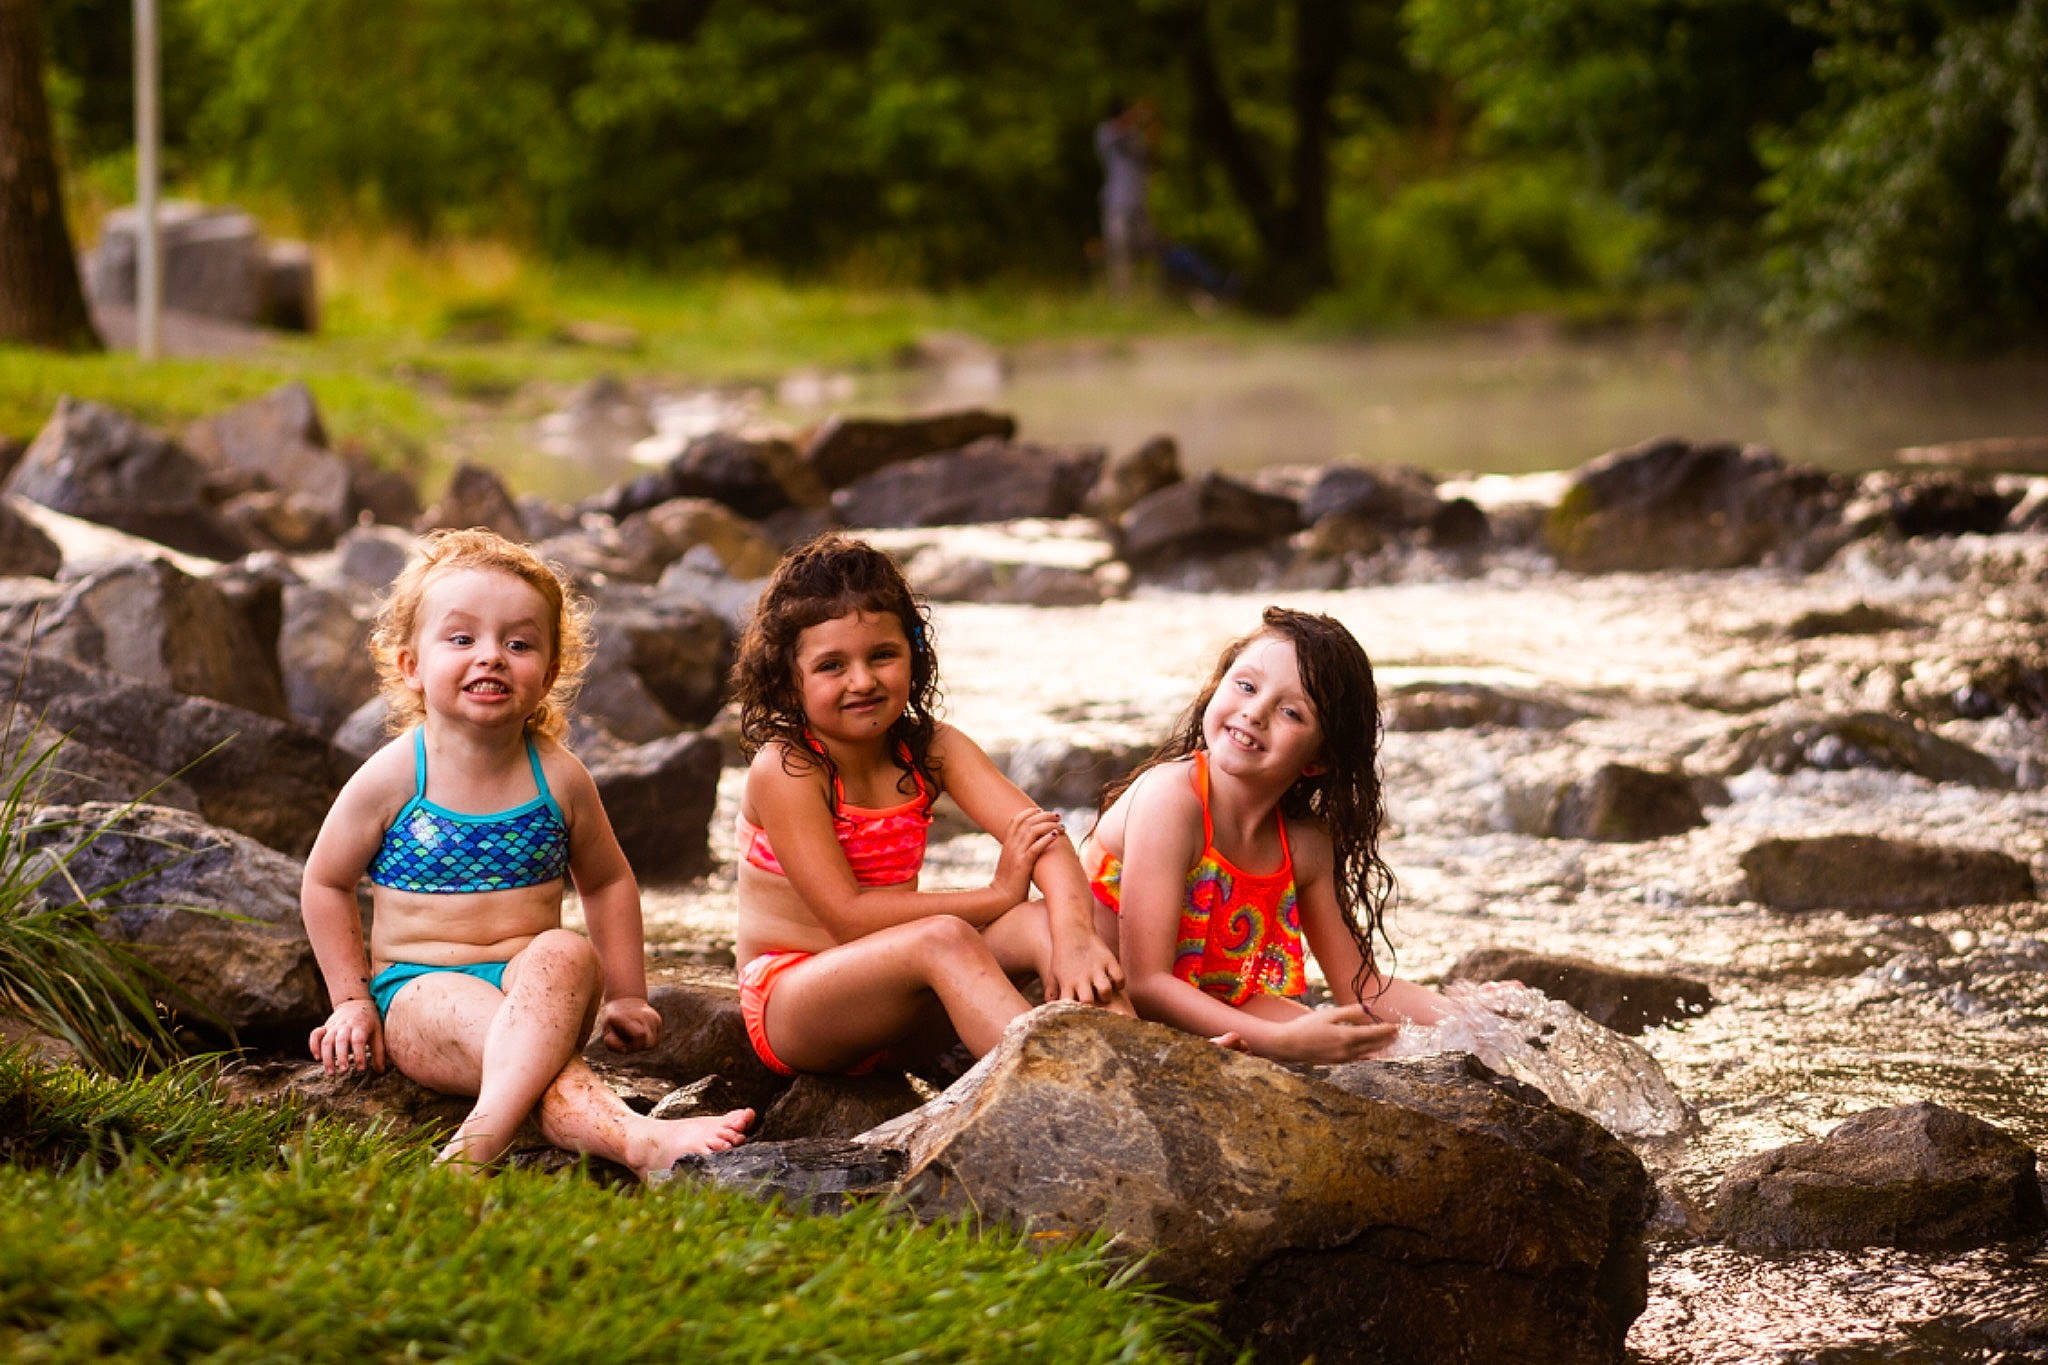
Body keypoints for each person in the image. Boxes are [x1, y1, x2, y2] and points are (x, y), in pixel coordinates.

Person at [300, 528, 753, 1177]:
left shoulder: (559, 778)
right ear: (410, 665)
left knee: (568, 948)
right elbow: (325, 881)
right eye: (461, 639)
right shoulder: (394, 776)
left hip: (542, 995)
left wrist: (626, 993)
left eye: (518, 642)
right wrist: (351, 998)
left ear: (548, 672)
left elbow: (606, 883)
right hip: (421, 999)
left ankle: (495, 1137)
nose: (491, 657)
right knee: (517, 1048)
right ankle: (610, 1137)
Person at [730, 533, 1127, 1077]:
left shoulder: (931, 747)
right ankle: (1062, 1090)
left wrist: (1076, 937)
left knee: (1055, 921)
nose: (863, 681)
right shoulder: (789, 767)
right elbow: (848, 918)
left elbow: (1042, 838)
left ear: (913, 655)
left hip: (907, 1001)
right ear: (786, 682)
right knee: (944, 937)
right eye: (831, 666)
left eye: (883, 655)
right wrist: (995, 895)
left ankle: (1133, 1073)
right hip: (796, 1003)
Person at [1081, 606, 1447, 1062]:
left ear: (1319, 760)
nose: (1254, 713)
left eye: (1291, 712)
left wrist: (1469, 1018)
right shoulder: (1171, 801)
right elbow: (1146, 983)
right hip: (1098, 994)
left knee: (1373, 1049)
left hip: (1206, 1001)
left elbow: (1363, 987)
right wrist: (1277, 1041)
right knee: (1306, 1043)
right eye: (1247, 686)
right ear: (1218, 686)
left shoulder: (1305, 847)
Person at [1094, 96, 1156, 298]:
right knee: (1118, 249)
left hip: (1138, 201)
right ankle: (1122, 297)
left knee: (1147, 248)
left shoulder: (1134, 136)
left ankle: (1148, 292)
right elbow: (1117, 129)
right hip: (1117, 202)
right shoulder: (1106, 132)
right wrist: (1138, 114)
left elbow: (1148, 162)